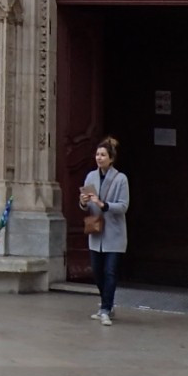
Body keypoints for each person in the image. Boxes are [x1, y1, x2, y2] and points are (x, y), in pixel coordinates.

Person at [79, 136, 129, 325]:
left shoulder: (121, 179)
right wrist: (83, 202)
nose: (99, 158)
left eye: (103, 155)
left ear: (111, 158)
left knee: (110, 271)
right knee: (97, 272)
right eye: (97, 154)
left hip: (114, 234)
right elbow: (84, 203)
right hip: (96, 231)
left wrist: (104, 204)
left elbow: (124, 206)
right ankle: (106, 305)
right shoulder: (91, 176)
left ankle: (106, 308)